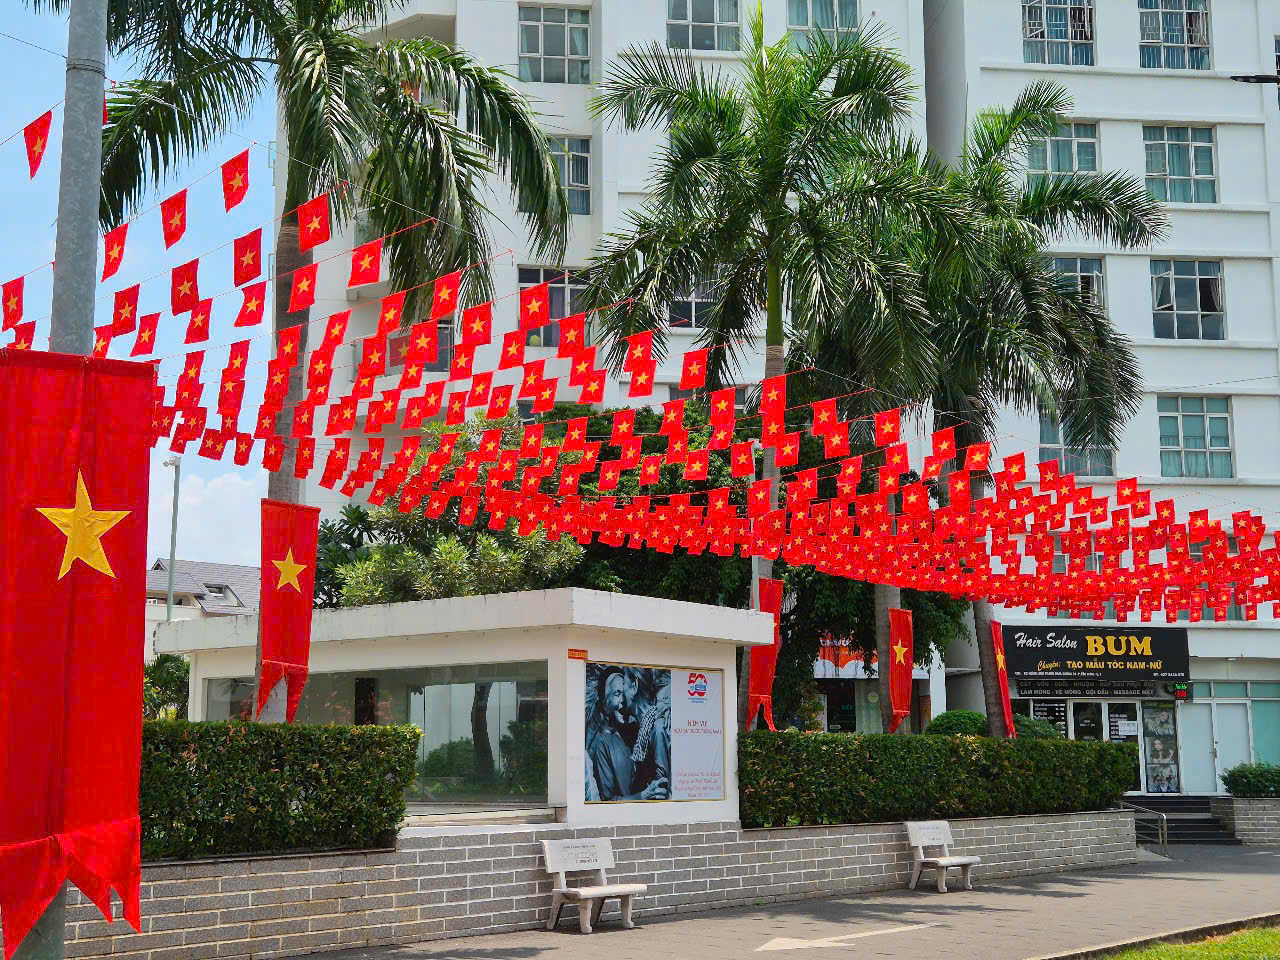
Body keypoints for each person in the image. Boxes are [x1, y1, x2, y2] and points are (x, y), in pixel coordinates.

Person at [588, 668, 669, 801]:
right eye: (617, 693)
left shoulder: (645, 729)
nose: (622, 701)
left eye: (623, 692)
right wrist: (641, 797)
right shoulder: (603, 743)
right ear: (605, 701)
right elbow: (608, 800)